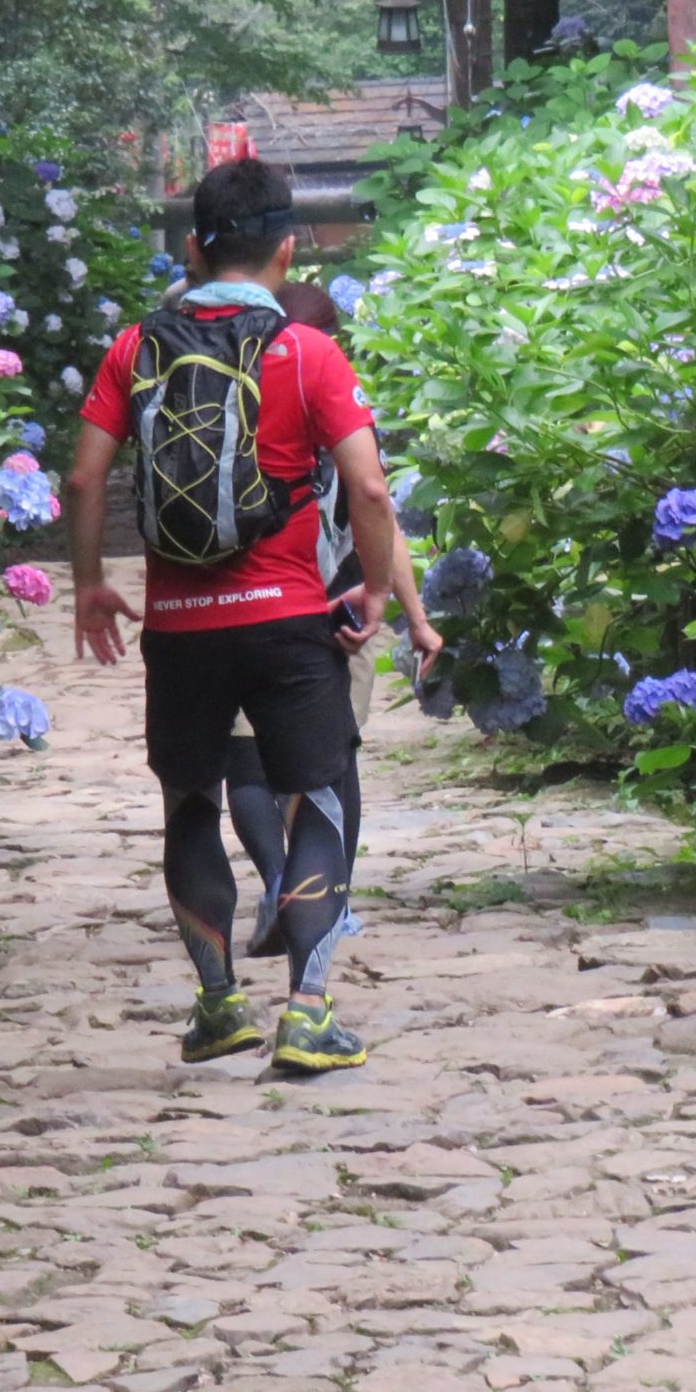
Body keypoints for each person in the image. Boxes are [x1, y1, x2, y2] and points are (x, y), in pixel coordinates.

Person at [61, 158, 405, 1074]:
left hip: (181, 625)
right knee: (324, 795)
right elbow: (368, 485)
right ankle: (308, 1010)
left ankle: (218, 1007)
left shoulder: (136, 349)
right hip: (291, 615)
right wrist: (373, 587)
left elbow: (84, 475)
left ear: (191, 248)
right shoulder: (310, 350)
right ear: (287, 252)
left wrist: (92, 580)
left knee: (189, 802)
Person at [225, 278, 440, 958]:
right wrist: (410, 613)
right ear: (333, 339)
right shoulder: (336, 398)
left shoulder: (223, 398)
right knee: (331, 760)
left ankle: (278, 880)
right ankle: (328, 902)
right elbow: (377, 507)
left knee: (248, 761)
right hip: (332, 608)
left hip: (235, 603)